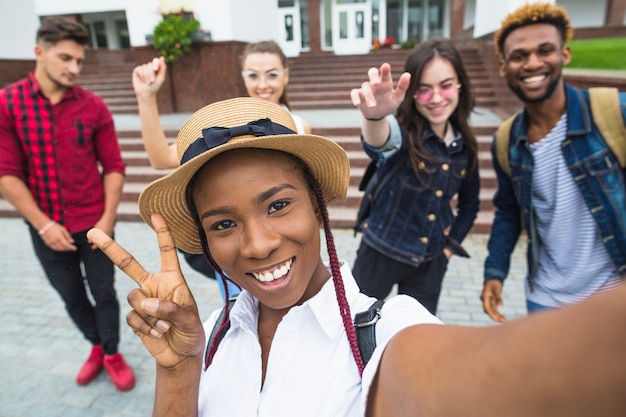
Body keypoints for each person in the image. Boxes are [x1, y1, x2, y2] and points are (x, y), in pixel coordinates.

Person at [88, 97, 626, 417]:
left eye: (278, 205)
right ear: (203, 243)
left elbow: (510, 376)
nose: (256, 245)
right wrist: (181, 369)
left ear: (319, 206)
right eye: (223, 224)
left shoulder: (387, 332)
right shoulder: (210, 337)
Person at [0, 17, 135, 391]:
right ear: (39, 52)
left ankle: (112, 353)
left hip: (95, 223)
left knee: (104, 293)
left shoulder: (93, 106)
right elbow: (6, 173)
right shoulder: (7, 103)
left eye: (79, 60)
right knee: (72, 297)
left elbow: (114, 166)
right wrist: (43, 224)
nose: (74, 68)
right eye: (65, 58)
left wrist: (107, 220)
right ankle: (96, 345)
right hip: (46, 227)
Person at [131, 40, 311, 300]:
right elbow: (160, 158)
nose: (263, 84)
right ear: (242, 76)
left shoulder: (300, 126)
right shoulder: (225, 126)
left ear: (286, 74)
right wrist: (146, 97)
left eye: (271, 74)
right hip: (238, 246)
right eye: (253, 75)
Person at [481, 2, 626, 323]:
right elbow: (508, 211)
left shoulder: (613, 112)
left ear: (565, 55)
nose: (533, 63)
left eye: (545, 51)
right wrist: (495, 272)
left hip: (613, 296)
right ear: (504, 67)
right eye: (519, 56)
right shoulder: (506, 141)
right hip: (545, 298)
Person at [348, 38, 480, 314]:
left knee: (416, 338)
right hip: (380, 253)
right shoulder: (403, 132)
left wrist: (447, 251)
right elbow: (380, 142)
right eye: (424, 90)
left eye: (445, 85)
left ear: (459, 85)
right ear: (412, 94)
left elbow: (470, 206)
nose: (436, 98)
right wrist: (374, 118)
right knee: (357, 329)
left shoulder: (464, 146)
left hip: (429, 262)